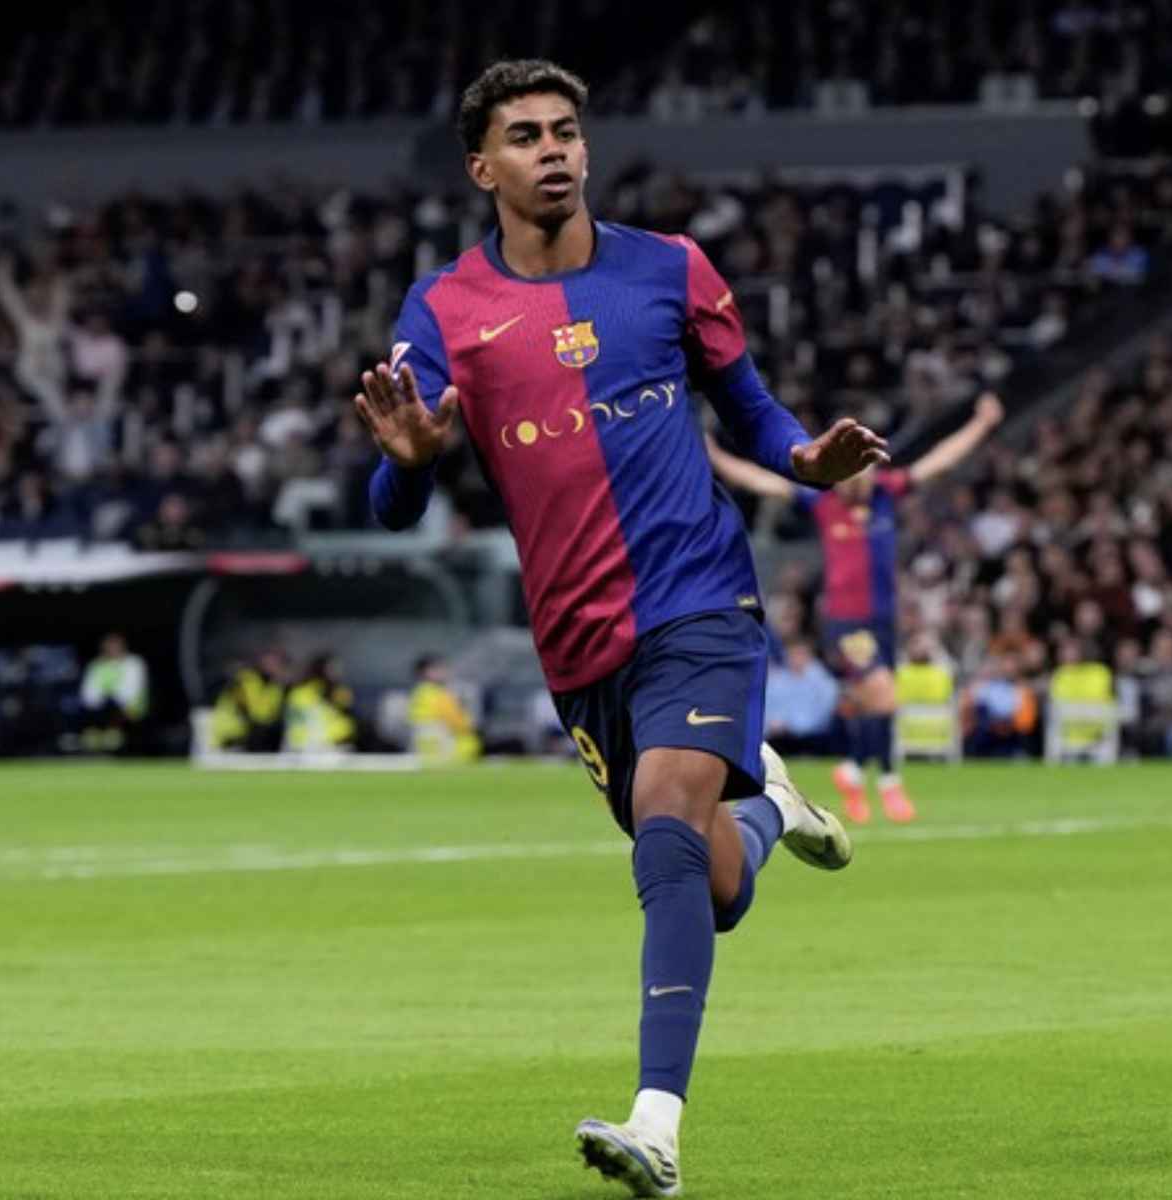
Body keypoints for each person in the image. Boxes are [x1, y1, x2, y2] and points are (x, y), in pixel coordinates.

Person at [355, 60, 865, 1196]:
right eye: (525, 136)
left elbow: (752, 408)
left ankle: (657, 1124)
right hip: (579, 641)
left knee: (665, 825)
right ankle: (770, 808)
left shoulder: (671, 269)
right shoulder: (444, 310)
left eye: (565, 131)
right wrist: (411, 465)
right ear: (482, 167)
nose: (552, 150)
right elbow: (393, 498)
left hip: (699, 597)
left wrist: (801, 459)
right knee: (710, 882)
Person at [709, 392, 1004, 823]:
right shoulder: (822, 502)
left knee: (871, 706)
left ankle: (852, 771)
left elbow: (940, 461)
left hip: (882, 621)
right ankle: (888, 781)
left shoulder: (886, 494)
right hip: (845, 624)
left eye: (865, 467)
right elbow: (761, 482)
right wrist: (716, 456)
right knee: (884, 696)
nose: (859, 477)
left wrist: (982, 424)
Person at [763, 639, 840, 758]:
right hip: (781, 736)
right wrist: (774, 723)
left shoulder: (823, 681)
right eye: (793, 655)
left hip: (814, 736)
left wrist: (793, 725)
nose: (796, 659)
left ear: (809, 656)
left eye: (800, 654)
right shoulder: (776, 680)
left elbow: (824, 713)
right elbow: (768, 708)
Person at [78, 632, 149, 753]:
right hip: (101, 708)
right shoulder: (97, 665)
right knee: (95, 711)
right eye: (109, 646)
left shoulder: (134, 663)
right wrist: (98, 702)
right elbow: (88, 692)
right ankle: (96, 742)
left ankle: (113, 739)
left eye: (116, 646)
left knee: (114, 709)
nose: (112, 649)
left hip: (129, 708)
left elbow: (132, 689)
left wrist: (115, 699)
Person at [407, 654, 482, 763]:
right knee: (470, 741)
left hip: (422, 746)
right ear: (427, 672)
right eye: (439, 668)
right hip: (443, 745)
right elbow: (457, 721)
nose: (445, 671)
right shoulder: (437, 694)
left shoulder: (418, 692)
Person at [284, 652, 358, 751]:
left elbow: (347, 722)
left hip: (339, 745)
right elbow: (297, 728)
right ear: (320, 669)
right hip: (310, 748)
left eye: (337, 668)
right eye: (332, 668)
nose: (337, 672)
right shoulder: (301, 693)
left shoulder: (341, 692)